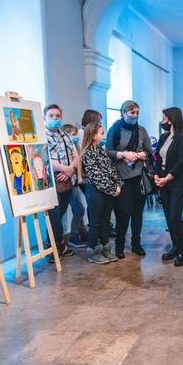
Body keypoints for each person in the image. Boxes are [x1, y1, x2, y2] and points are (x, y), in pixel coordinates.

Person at [106, 100, 151, 259]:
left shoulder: (141, 130)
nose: (135, 115)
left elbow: (149, 151)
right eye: (132, 113)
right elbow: (108, 151)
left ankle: (136, 243)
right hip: (121, 177)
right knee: (123, 212)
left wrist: (138, 155)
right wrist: (123, 154)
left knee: (138, 212)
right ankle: (119, 245)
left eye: (137, 113)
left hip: (138, 176)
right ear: (124, 113)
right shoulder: (114, 129)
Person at [79, 122, 123, 264]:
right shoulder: (87, 153)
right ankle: (93, 250)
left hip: (108, 191)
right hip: (96, 191)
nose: (104, 135)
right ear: (93, 135)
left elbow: (111, 170)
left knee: (106, 222)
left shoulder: (101, 151)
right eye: (101, 133)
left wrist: (118, 185)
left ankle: (105, 248)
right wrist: (112, 188)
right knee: (95, 222)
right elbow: (97, 176)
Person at [155, 107, 183, 267]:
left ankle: (181, 252)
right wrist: (156, 175)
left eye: (164, 118)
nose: (162, 121)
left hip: (177, 182)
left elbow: (182, 163)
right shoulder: (164, 137)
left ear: (171, 119)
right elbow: (157, 158)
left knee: (175, 216)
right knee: (169, 217)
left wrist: (167, 178)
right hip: (163, 180)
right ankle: (175, 247)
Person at [45, 104, 78, 262]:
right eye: (51, 115)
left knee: (61, 214)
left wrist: (71, 169)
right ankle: (54, 249)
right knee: (53, 217)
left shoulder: (64, 135)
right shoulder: (42, 136)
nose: (55, 118)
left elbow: (75, 155)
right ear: (45, 117)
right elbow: (44, 159)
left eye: (58, 116)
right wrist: (66, 169)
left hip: (67, 181)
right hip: (52, 183)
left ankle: (60, 246)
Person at [61, 123, 88, 248]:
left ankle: (81, 233)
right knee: (79, 209)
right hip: (68, 183)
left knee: (79, 209)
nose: (76, 137)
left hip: (74, 181)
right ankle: (73, 236)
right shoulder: (65, 148)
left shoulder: (74, 147)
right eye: (73, 135)